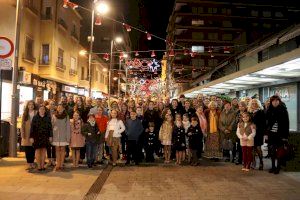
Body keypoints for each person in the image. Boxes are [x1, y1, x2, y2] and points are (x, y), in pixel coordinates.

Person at [266, 95, 289, 174]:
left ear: (279, 101)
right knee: (272, 151)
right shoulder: (269, 110)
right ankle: (273, 167)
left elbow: (287, 124)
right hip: (271, 134)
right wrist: (266, 133)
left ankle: (278, 167)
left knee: (279, 152)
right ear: (271, 102)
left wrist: (285, 136)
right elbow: (267, 123)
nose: (275, 102)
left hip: (280, 134)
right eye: (273, 101)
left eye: (276, 101)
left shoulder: (283, 110)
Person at [30, 105, 53, 171]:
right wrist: (31, 137)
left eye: (43, 109)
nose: (42, 110)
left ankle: (43, 165)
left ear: (45, 110)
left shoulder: (48, 118)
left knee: (43, 151)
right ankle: (39, 166)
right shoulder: (35, 117)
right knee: (37, 151)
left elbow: (50, 128)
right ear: (38, 110)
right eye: (41, 109)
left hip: (45, 136)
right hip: (36, 136)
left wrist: (50, 136)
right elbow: (32, 128)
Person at [52, 104, 71, 171]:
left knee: (63, 150)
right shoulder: (54, 116)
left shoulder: (66, 116)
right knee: (57, 150)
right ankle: (58, 164)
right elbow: (52, 126)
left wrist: (68, 137)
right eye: (58, 108)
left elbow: (68, 127)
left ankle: (61, 164)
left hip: (64, 136)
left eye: (61, 108)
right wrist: (52, 134)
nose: (59, 109)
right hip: (56, 135)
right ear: (57, 108)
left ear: (63, 109)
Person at [248, 99, 266, 170]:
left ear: (258, 104)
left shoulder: (261, 112)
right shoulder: (249, 112)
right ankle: (253, 162)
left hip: (258, 133)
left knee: (258, 148)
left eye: (255, 103)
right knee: (252, 148)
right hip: (250, 133)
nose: (254, 104)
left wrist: (257, 127)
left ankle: (261, 162)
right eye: (252, 103)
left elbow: (264, 123)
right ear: (250, 104)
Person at [21, 100, 37, 170]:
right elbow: (22, 125)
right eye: (29, 105)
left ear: (34, 106)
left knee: (33, 149)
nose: (31, 106)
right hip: (26, 134)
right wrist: (22, 134)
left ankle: (32, 162)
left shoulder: (36, 113)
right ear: (27, 106)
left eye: (32, 104)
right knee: (27, 149)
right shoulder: (25, 114)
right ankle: (29, 163)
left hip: (34, 134)